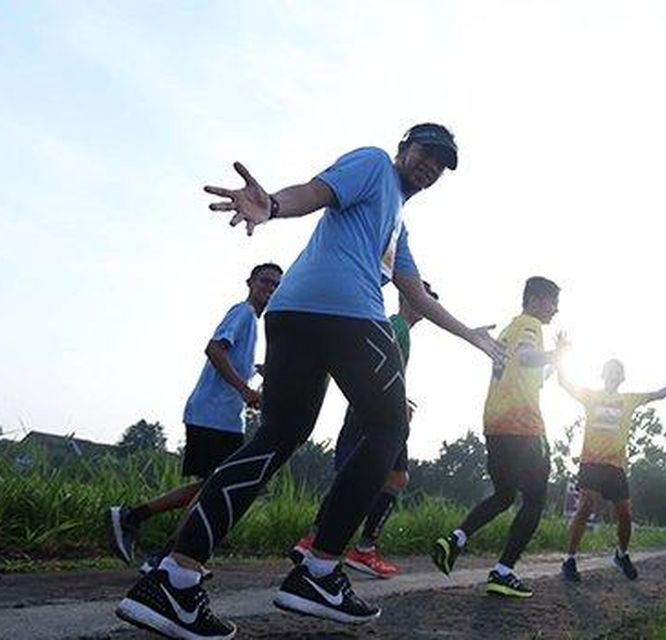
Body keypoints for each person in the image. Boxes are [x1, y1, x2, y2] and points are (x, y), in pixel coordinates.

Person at [116, 123, 504, 640]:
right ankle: (319, 570)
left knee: (274, 438)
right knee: (388, 429)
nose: (430, 166)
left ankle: (174, 579)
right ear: (402, 149)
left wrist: (471, 336)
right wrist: (272, 206)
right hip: (347, 315)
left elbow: (417, 294)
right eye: (424, 153)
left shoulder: (395, 227)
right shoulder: (372, 165)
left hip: (293, 315)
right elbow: (316, 192)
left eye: (441, 163)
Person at [108, 263, 281, 567]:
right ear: (250, 282)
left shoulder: (252, 322)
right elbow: (214, 350)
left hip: (223, 417)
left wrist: (257, 372)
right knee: (215, 487)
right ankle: (166, 552)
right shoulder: (242, 313)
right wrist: (244, 390)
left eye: (276, 285)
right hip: (212, 413)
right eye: (266, 281)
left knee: (211, 487)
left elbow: (234, 359)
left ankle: (135, 520)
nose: (270, 288)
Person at [292, 281, 439, 579]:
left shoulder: (390, 326)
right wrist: (398, 406)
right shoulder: (398, 327)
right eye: (424, 296)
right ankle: (364, 549)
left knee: (356, 474)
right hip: (379, 412)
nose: (428, 302)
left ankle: (313, 539)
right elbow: (382, 369)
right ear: (406, 297)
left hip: (362, 408)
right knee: (396, 478)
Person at [431, 277, 566, 599]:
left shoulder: (510, 328)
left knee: (505, 495)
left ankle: (456, 539)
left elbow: (523, 367)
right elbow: (526, 357)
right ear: (534, 300)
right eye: (552, 301)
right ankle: (503, 572)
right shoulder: (530, 325)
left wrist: (550, 365)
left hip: (495, 422)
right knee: (534, 500)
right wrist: (554, 353)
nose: (556, 310)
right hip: (523, 425)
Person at [558, 357, 666, 582]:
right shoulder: (590, 396)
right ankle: (569, 559)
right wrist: (560, 355)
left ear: (622, 377)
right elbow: (565, 383)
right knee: (586, 505)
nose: (613, 375)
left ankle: (621, 554)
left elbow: (658, 394)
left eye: (618, 372)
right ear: (603, 374)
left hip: (615, 466)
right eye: (610, 371)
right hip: (591, 462)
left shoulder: (629, 400)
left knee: (625, 514)